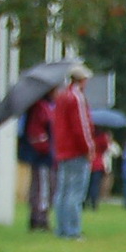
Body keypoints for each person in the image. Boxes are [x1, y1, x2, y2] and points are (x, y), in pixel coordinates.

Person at [51, 64, 99, 241]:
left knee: (62, 191)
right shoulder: (76, 98)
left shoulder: (62, 97)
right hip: (76, 151)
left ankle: (61, 228)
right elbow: (82, 126)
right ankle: (73, 230)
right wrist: (89, 148)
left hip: (63, 150)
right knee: (75, 192)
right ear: (83, 80)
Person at [21, 89, 57, 231]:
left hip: (42, 154)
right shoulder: (41, 107)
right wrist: (46, 147)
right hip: (42, 156)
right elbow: (39, 129)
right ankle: (40, 219)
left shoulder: (42, 106)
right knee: (44, 186)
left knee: (40, 185)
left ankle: (38, 216)